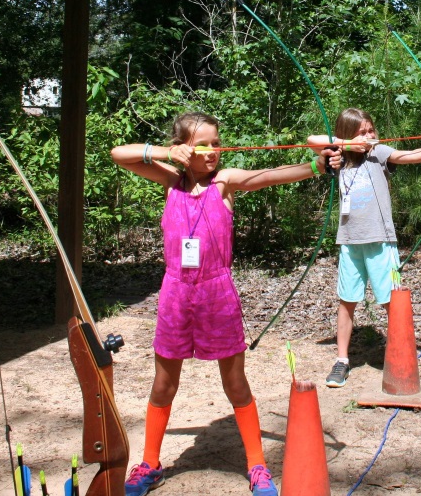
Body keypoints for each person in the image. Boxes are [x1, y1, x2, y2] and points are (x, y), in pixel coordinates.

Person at [111, 111, 340, 496]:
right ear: (183, 147)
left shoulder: (225, 182)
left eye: (216, 143)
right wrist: (164, 152)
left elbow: (270, 175)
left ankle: (257, 466)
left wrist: (317, 166)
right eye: (202, 145)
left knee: (235, 383)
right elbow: (119, 154)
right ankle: (150, 464)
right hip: (175, 294)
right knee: (163, 384)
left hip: (217, 295)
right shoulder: (170, 179)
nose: (212, 151)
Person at [308, 108, 421, 387]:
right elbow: (311, 140)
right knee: (347, 300)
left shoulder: (379, 153)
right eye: (361, 132)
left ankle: (400, 355)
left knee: (391, 300)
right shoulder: (338, 158)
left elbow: (408, 156)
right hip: (350, 242)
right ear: (347, 135)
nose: (368, 136)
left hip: (380, 240)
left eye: (370, 130)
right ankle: (342, 361)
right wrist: (347, 144)